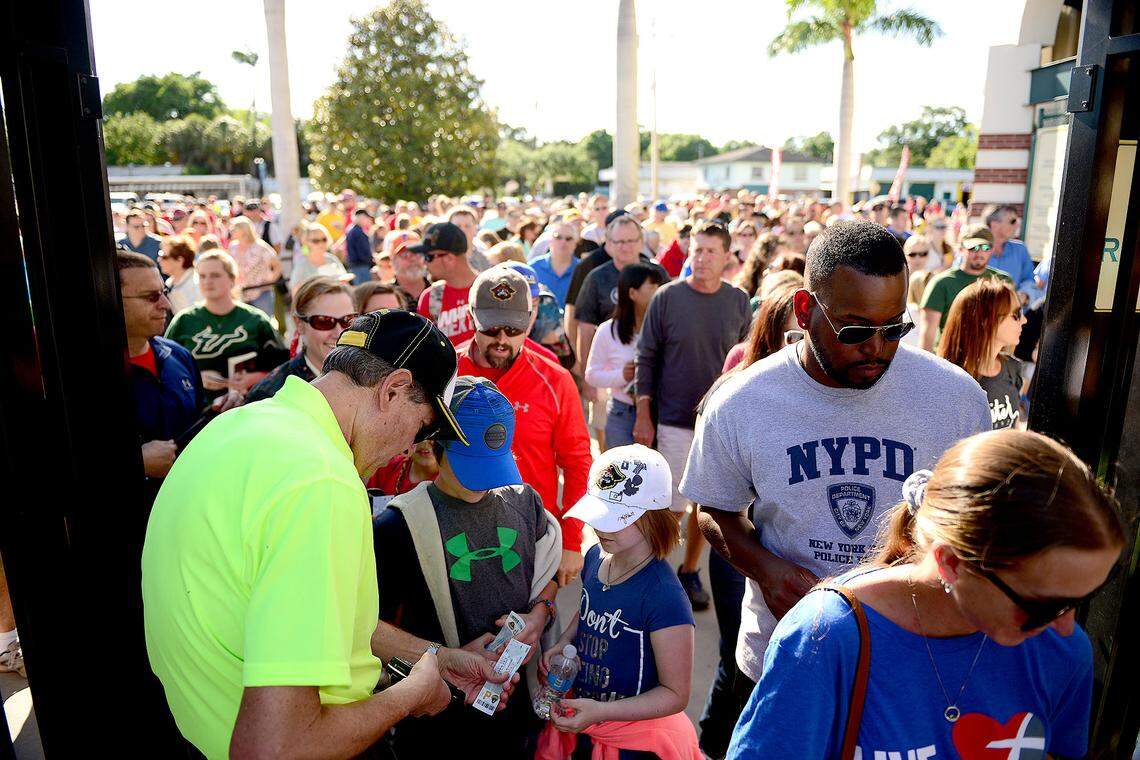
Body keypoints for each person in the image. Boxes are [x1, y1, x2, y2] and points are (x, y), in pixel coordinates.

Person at [143, 310, 515, 758]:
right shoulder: (323, 483)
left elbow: (301, 612)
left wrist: (433, 657)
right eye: (423, 426)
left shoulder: (234, 427)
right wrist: (409, 696)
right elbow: (274, 748)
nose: (412, 449)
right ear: (393, 388)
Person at [683, 221, 991, 733]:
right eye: (854, 330)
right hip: (782, 659)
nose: (876, 347)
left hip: (910, 661)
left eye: (894, 328)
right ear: (805, 312)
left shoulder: (956, 400)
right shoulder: (741, 402)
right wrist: (768, 570)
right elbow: (714, 509)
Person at [727, 429, 1124, 759]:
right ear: (951, 562)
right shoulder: (826, 638)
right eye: (1042, 604)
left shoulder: (1062, 653)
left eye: (1082, 598)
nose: (1068, 626)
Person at [374, 377, 561, 758]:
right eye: (470, 466)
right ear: (432, 446)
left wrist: (540, 615)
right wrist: (444, 657)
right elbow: (368, 631)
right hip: (435, 725)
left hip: (513, 712)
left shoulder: (526, 503)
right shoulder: (398, 527)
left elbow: (550, 575)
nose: (484, 483)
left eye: (493, 466)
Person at [538, 445, 698, 758]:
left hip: (633, 742)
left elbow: (675, 694)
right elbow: (588, 609)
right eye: (598, 515)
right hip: (587, 720)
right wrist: (565, 642)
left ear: (653, 518)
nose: (599, 528)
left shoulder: (664, 596)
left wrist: (599, 712)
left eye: (614, 519)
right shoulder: (596, 556)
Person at [634, 221, 752, 611]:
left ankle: (689, 571)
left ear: (727, 258)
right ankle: (658, 572)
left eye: (710, 252)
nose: (700, 258)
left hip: (722, 425)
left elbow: (747, 361)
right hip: (673, 418)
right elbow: (646, 358)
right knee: (670, 504)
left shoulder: (738, 301)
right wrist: (643, 413)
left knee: (710, 505)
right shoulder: (667, 297)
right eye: (696, 250)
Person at [456, 266, 592, 587]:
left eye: (513, 328)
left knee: (534, 630)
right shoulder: (446, 371)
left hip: (532, 534)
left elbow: (577, 462)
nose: (502, 339)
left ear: (530, 319)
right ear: (472, 316)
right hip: (457, 532)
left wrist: (572, 541)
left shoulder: (555, 380)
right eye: (491, 328)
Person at [118, 251, 205, 490]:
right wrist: (136, 462)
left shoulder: (178, 355)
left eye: (163, 293)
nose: (165, 305)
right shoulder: (78, 376)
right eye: (151, 297)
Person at [165, 250, 284, 397]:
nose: (207, 281)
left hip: (248, 406)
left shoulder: (256, 320)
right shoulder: (183, 321)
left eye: (215, 275)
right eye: (202, 276)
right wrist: (195, 378)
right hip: (199, 411)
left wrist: (256, 378)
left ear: (232, 279)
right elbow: (166, 369)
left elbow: (284, 367)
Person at [585, 263, 667, 450]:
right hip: (622, 413)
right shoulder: (608, 330)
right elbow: (591, 374)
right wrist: (622, 375)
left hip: (660, 412)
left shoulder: (665, 328)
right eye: (652, 287)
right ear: (632, 293)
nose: (658, 292)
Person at [245, 277, 357, 404]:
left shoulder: (370, 378)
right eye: (323, 321)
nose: (338, 333)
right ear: (299, 324)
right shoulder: (269, 396)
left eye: (348, 320)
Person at [938, 278, 1027, 430]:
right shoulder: (952, 380)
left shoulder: (1012, 368)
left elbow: (1015, 429)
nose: (1024, 320)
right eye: (1016, 314)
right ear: (986, 321)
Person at [919, 223, 1013, 351]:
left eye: (985, 247)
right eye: (973, 248)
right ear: (961, 249)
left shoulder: (1002, 281)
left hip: (989, 361)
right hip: (950, 360)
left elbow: (1010, 326)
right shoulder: (941, 283)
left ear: (991, 250)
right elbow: (927, 336)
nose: (979, 252)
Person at [415, 222, 480, 345]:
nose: (424, 263)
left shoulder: (490, 289)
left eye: (428, 257)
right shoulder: (430, 298)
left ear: (449, 258)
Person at [227, 215, 281, 317]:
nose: (231, 231)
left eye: (234, 228)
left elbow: (277, 265)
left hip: (261, 293)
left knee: (264, 324)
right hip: (240, 294)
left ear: (243, 230)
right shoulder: (232, 247)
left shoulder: (260, 246)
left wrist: (271, 281)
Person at [983, 204, 1037, 304]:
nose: (1017, 225)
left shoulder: (1020, 249)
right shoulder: (974, 251)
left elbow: (1029, 280)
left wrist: (1024, 294)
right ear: (994, 224)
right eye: (1012, 221)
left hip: (1012, 315)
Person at [289, 222, 349, 296]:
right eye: (316, 241)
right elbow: (296, 294)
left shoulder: (332, 259)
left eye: (324, 239)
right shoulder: (302, 265)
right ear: (306, 242)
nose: (321, 243)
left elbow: (345, 281)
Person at [529, 220, 580, 307]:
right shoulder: (533, 267)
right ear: (550, 241)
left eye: (568, 238)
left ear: (575, 243)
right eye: (558, 237)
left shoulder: (583, 269)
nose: (563, 242)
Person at [367, 440, 441, 496]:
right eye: (421, 432)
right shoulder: (386, 466)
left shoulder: (448, 481)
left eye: (434, 434)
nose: (425, 441)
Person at [158, 234, 201, 313]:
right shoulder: (169, 283)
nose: (159, 260)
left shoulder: (196, 286)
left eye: (164, 257)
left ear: (179, 260)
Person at [448, 206, 493, 272]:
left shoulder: (485, 257)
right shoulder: (440, 257)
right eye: (457, 226)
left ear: (475, 228)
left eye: (467, 226)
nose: (462, 230)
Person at [345, 208, 376, 284]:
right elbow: (362, 252)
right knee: (363, 291)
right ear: (361, 217)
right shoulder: (357, 231)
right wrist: (371, 261)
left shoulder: (353, 229)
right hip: (360, 266)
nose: (367, 220)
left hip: (357, 265)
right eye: (366, 218)